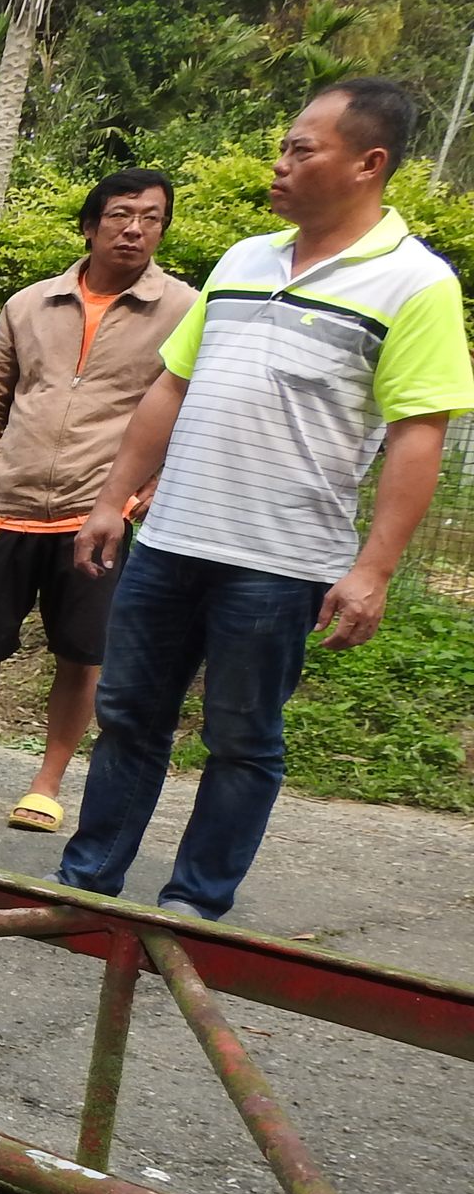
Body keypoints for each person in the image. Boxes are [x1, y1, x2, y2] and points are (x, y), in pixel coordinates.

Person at [57, 81, 473, 918]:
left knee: (242, 740)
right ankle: (86, 884)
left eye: (301, 149)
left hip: (280, 564)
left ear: (369, 163)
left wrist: (374, 571)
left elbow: (417, 437)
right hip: (171, 541)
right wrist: (114, 497)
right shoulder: (245, 258)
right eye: (283, 147)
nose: (280, 165)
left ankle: (195, 904)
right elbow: (172, 385)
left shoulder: (415, 284)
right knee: (129, 716)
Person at [0, 170, 187, 828]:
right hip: (9, 502)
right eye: (121, 214)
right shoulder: (29, 305)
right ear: (90, 225)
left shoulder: (182, 310)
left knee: (81, 653)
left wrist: (145, 493)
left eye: (152, 217)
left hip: (98, 516)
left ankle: (48, 780)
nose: (136, 228)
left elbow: (186, 414)